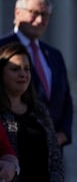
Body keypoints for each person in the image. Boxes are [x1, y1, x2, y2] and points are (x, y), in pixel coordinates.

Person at [0, 0, 73, 147]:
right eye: (34, 13)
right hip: (14, 141)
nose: (40, 20)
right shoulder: (2, 48)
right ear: (17, 12)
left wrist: (64, 134)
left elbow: (65, 98)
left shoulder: (54, 55)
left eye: (45, 15)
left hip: (52, 148)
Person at [0, 42, 63, 181]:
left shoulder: (39, 110)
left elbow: (55, 158)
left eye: (27, 69)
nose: (23, 74)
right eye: (15, 69)